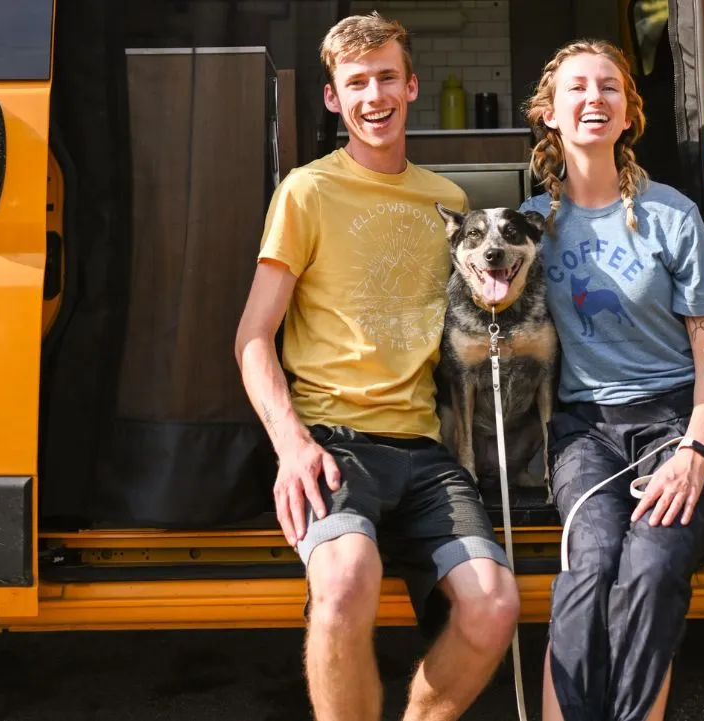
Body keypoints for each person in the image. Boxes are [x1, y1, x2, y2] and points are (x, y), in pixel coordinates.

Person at [234, 13, 520, 721]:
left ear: (411, 85)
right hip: (332, 443)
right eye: (355, 82)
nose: (373, 95)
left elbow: (474, 324)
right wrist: (292, 445)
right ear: (333, 97)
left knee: (494, 606)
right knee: (343, 582)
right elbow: (251, 337)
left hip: (422, 450)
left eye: (386, 77)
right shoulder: (306, 191)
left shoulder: (449, 204)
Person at [518, 40, 704, 721]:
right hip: (586, 429)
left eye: (609, 88)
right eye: (578, 89)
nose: (594, 99)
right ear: (550, 114)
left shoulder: (670, 213)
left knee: (648, 569)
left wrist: (694, 453)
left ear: (626, 114)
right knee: (589, 569)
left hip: (675, 420)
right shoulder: (532, 223)